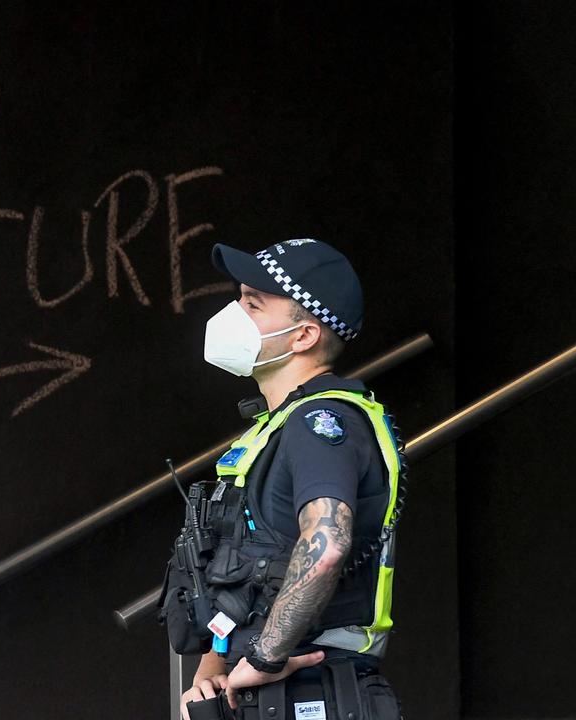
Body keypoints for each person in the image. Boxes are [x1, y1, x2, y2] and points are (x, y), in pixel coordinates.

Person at [162, 239, 404, 720]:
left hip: (313, 688)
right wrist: (214, 663)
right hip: (269, 695)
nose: (234, 312)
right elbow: (245, 561)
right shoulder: (279, 425)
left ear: (303, 336)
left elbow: (327, 543)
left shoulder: (322, 425)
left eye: (254, 303)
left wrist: (264, 656)